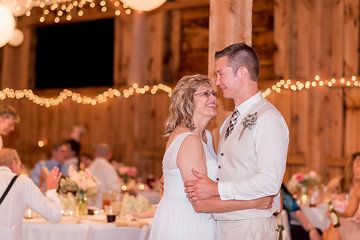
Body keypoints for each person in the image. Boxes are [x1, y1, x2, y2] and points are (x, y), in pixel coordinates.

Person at [184, 43, 289, 239]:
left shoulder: (268, 119)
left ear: (241, 73)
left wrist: (216, 189)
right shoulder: (227, 123)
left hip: (251, 226)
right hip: (225, 224)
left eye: (221, 74)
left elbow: (270, 182)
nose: (217, 81)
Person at [150, 74, 274, 240]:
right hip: (187, 221)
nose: (213, 98)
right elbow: (200, 203)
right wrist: (254, 203)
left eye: (213, 93)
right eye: (205, 94)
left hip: (202, 218)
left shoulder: (206, 136)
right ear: (187, 101)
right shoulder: (190, 140)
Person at [0, 148, 62, 240]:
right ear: (13, 164)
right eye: (20, 166)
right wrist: (51, 190)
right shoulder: (21, 182)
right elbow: (54, 215)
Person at [323, 152, 360, 240]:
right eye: (357, 165)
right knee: (335, 225)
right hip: (356, 224)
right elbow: (348, 213)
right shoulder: (357, 187)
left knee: (335, 227)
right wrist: (336, 213)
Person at [88, 143, 122, 208]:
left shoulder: (90, 167)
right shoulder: (108, 167)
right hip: (105, 207)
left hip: (90, 207)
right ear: (109, 154)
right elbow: (116, 189)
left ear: (95, 153)